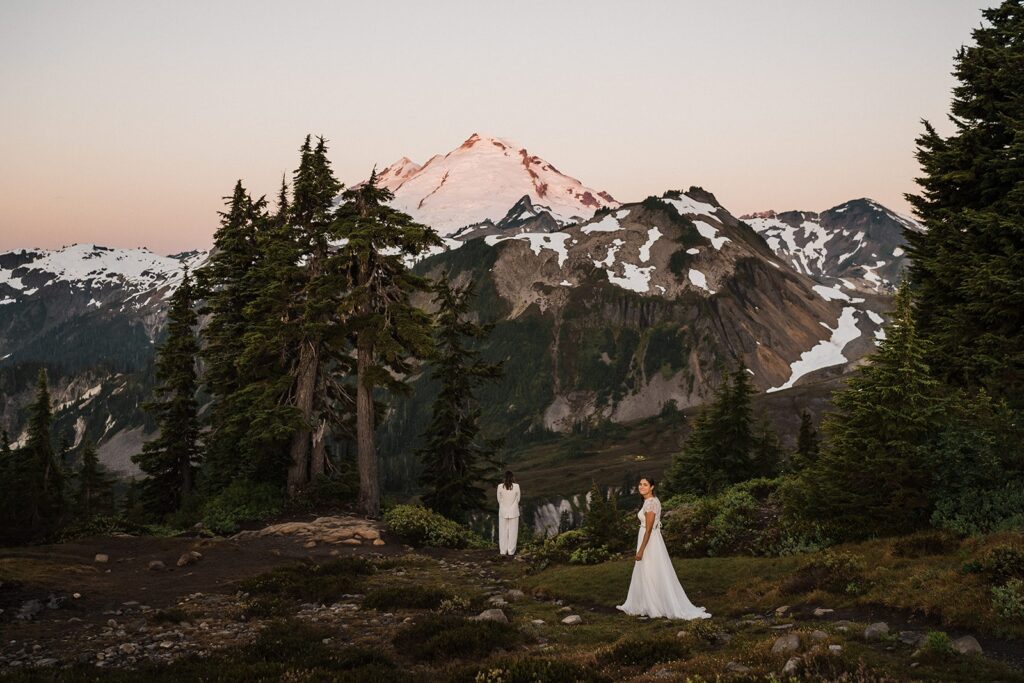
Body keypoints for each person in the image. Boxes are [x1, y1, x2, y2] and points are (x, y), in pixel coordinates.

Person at [617, 476, 711, 620]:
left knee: (651, 569)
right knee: (649, 570)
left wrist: (641, 549)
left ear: (652, 487)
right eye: (640, 484)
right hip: (650, 538)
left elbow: (648, 529)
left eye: (645, 485)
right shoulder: (648, 501)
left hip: (649, 541)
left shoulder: (651, 503)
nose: (641, 487)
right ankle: (648, 602)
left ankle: (656, 604)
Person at [496, 470, 520, 556]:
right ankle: (511, 551)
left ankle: (503, 551)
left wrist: (504, 506)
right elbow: (518, 499)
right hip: (514, 512)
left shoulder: (499, 486)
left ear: (504, 477)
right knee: (513, 532)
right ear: (513, 477)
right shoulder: (517, 486)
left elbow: (499, 500)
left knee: (502, 532)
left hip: (503, 511)